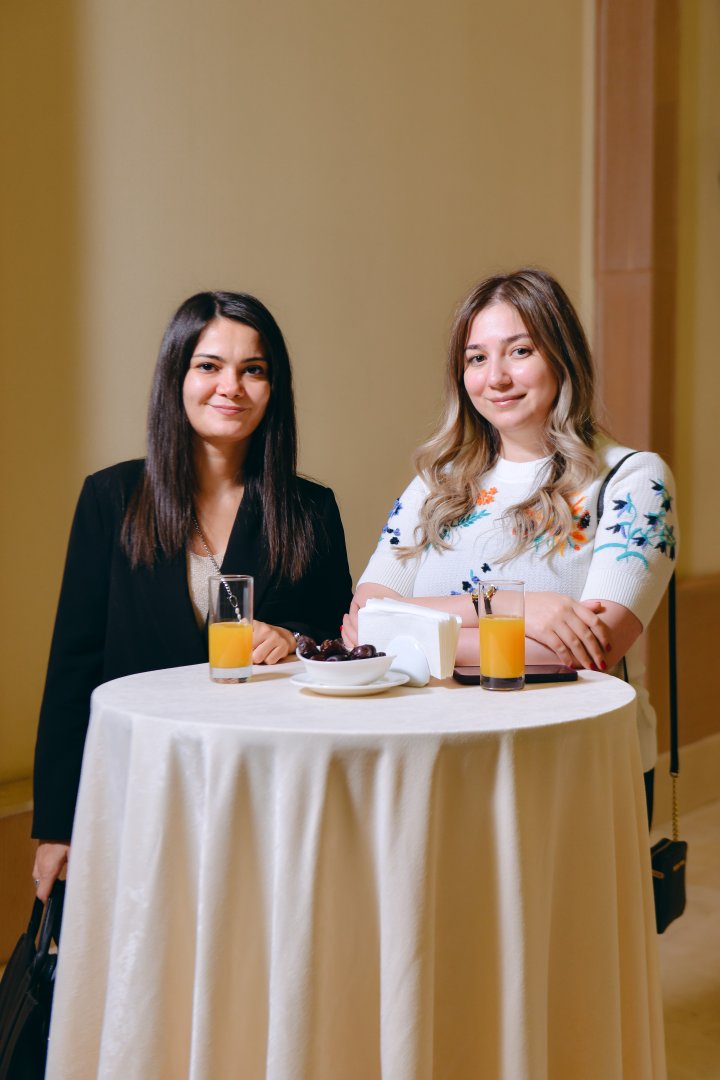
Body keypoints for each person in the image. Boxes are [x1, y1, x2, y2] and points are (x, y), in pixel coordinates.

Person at [32, 291, 352, 899]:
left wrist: (296, 639)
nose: (230, 386)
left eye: (252, 370)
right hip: (136, 790)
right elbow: (73, 667)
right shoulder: (111, 499)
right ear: (176, 377)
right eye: (209, 366)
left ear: (273, 388)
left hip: (266, 798)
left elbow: (342, 647)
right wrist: (57, 823)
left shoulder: (311, 510)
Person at [344, 268, 677, 822]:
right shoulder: (437, 483)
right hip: (433, 754)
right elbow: (364, 617)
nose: (494, 376)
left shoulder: (630, 479)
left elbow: (590, 653)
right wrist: (502, 610)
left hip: (571, 763)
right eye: (476, 358)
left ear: (562, 357)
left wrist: (408, 637)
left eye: (519, 351)